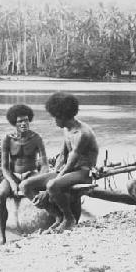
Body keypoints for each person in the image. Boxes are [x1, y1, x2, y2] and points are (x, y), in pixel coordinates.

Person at [20, 92, 99, 233]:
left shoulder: (82, 134)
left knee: (51, 186)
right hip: (69, 170)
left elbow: (71, 163)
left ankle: (69, 218)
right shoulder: (66, 129)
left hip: (83, 171)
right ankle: (57, 216)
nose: (54, 121)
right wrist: (54, 171)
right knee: (25, 185)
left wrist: (48, 187)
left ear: (63, 116)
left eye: (55, 117)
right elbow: (63, 155)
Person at [0, 104, 49, 244]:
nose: (23, 123)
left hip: (30, 174)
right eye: (20, 121)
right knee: (1, 194)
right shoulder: (7, 139)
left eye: (26, 120)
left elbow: (44, 165)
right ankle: (2, 235)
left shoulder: (36, 138)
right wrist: (13, 183)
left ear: (29, 120)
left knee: (41, 191)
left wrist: (40, 179)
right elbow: (4, 167)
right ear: (15, 122)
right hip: (12, 175)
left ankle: (51, 217)